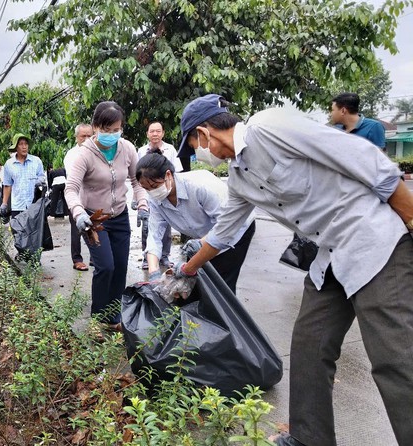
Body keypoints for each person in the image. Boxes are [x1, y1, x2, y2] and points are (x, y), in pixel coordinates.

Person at [172, 94, 413, 446]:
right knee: (308, 347)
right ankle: (308, 438)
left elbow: (360, 157)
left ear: (204, 133)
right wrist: (187, 268)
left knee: (395, 360)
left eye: (194, 145)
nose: (197, 153)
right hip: (329, 259)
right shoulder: (238, 179)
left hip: (374, 243)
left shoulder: (269, 126)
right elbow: (223, 233)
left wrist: (410, 216)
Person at [65, 102, 148, 329]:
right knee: (106, 267)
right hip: (93, 220)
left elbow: (137, 181)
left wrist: (142, 203)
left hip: (120, 217)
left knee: (121, 267)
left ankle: (112, 318)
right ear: (95, 127)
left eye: (116, 129)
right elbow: (71, 188)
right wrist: (78, 212)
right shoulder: (84, 154)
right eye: (107, 129)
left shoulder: (127, 148)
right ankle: (96, 319)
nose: (112, 135)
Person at [136, 152, 255, 293]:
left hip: (235, 229)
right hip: (203, 236)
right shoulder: (155, 201)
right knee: (192, 284)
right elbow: (154, 236)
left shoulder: (198, 187)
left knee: (221, 286)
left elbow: (225, 225)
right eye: (146, 189)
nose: (152, 192)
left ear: (168, 175)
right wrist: (154, 272)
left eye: (154, 186)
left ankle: (224, 314)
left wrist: (200, 245)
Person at [136, 121, 183, 269]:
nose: (155, 134)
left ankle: (164, 256)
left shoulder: (170, 149)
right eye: (152, 131)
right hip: (148, 195)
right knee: (147, 227)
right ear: (147, 134)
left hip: (166, 192)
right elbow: (137, 176)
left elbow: (178, 172)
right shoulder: (141, 151)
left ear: (163, 133)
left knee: (166, 228)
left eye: (158, 131)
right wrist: (138, 200)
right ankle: (147, 257)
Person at [63, 123, 94, 271]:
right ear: (77, 137)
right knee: (77, 230)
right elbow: (76, 178)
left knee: (95, 228)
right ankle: (77, 259)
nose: (87, 139)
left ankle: (95, 257)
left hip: (94, 198)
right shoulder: (72, 155)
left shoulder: (98, 152)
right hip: (76, 199)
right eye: (83, 136)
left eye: (90, 135)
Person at [0, 133, 45, 220]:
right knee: (18, 232)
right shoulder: (9, 164)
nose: (24, 147)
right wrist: (4, 203)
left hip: (34, 205)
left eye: (26, 144)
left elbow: (41, 177)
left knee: (34, 233)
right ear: (16, 147)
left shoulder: (36, 161)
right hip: (17, 206)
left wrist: (39, 181)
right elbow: (7, 185)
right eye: (21, 144)